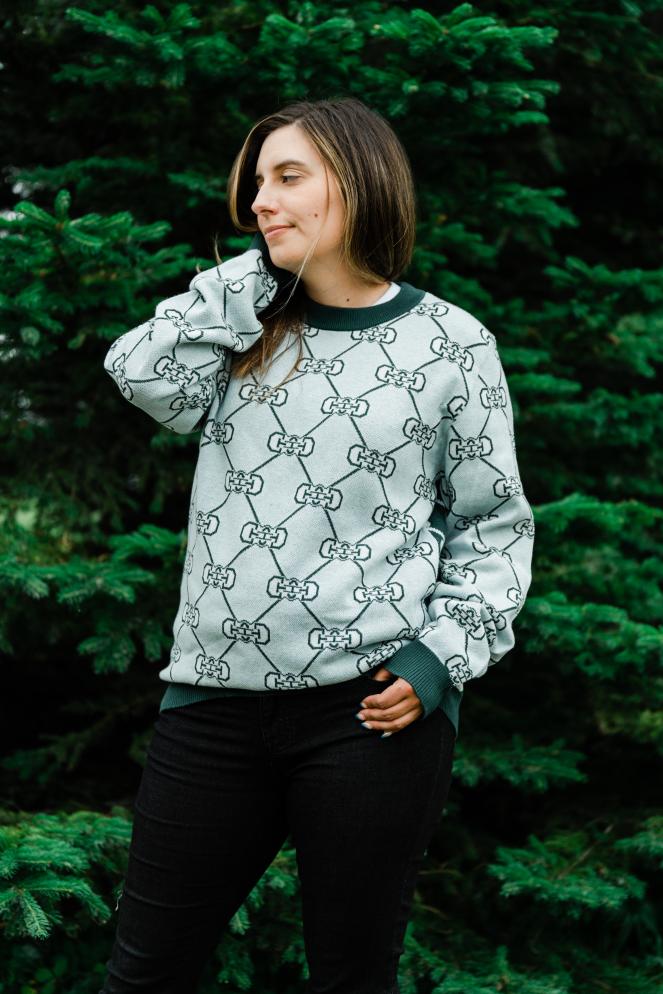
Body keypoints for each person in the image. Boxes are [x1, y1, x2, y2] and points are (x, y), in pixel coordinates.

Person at [99, 97, 535, 994]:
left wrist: (437, 660)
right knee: (145, 973)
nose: (260, 200)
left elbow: (492, 525)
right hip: (212, 702)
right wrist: (253, 279)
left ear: (359, 181)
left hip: (369, 710)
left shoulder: (451, 344)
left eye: (288, 177)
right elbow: (140, 375)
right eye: (257, 182)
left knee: (350, 976)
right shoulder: (240, 327)